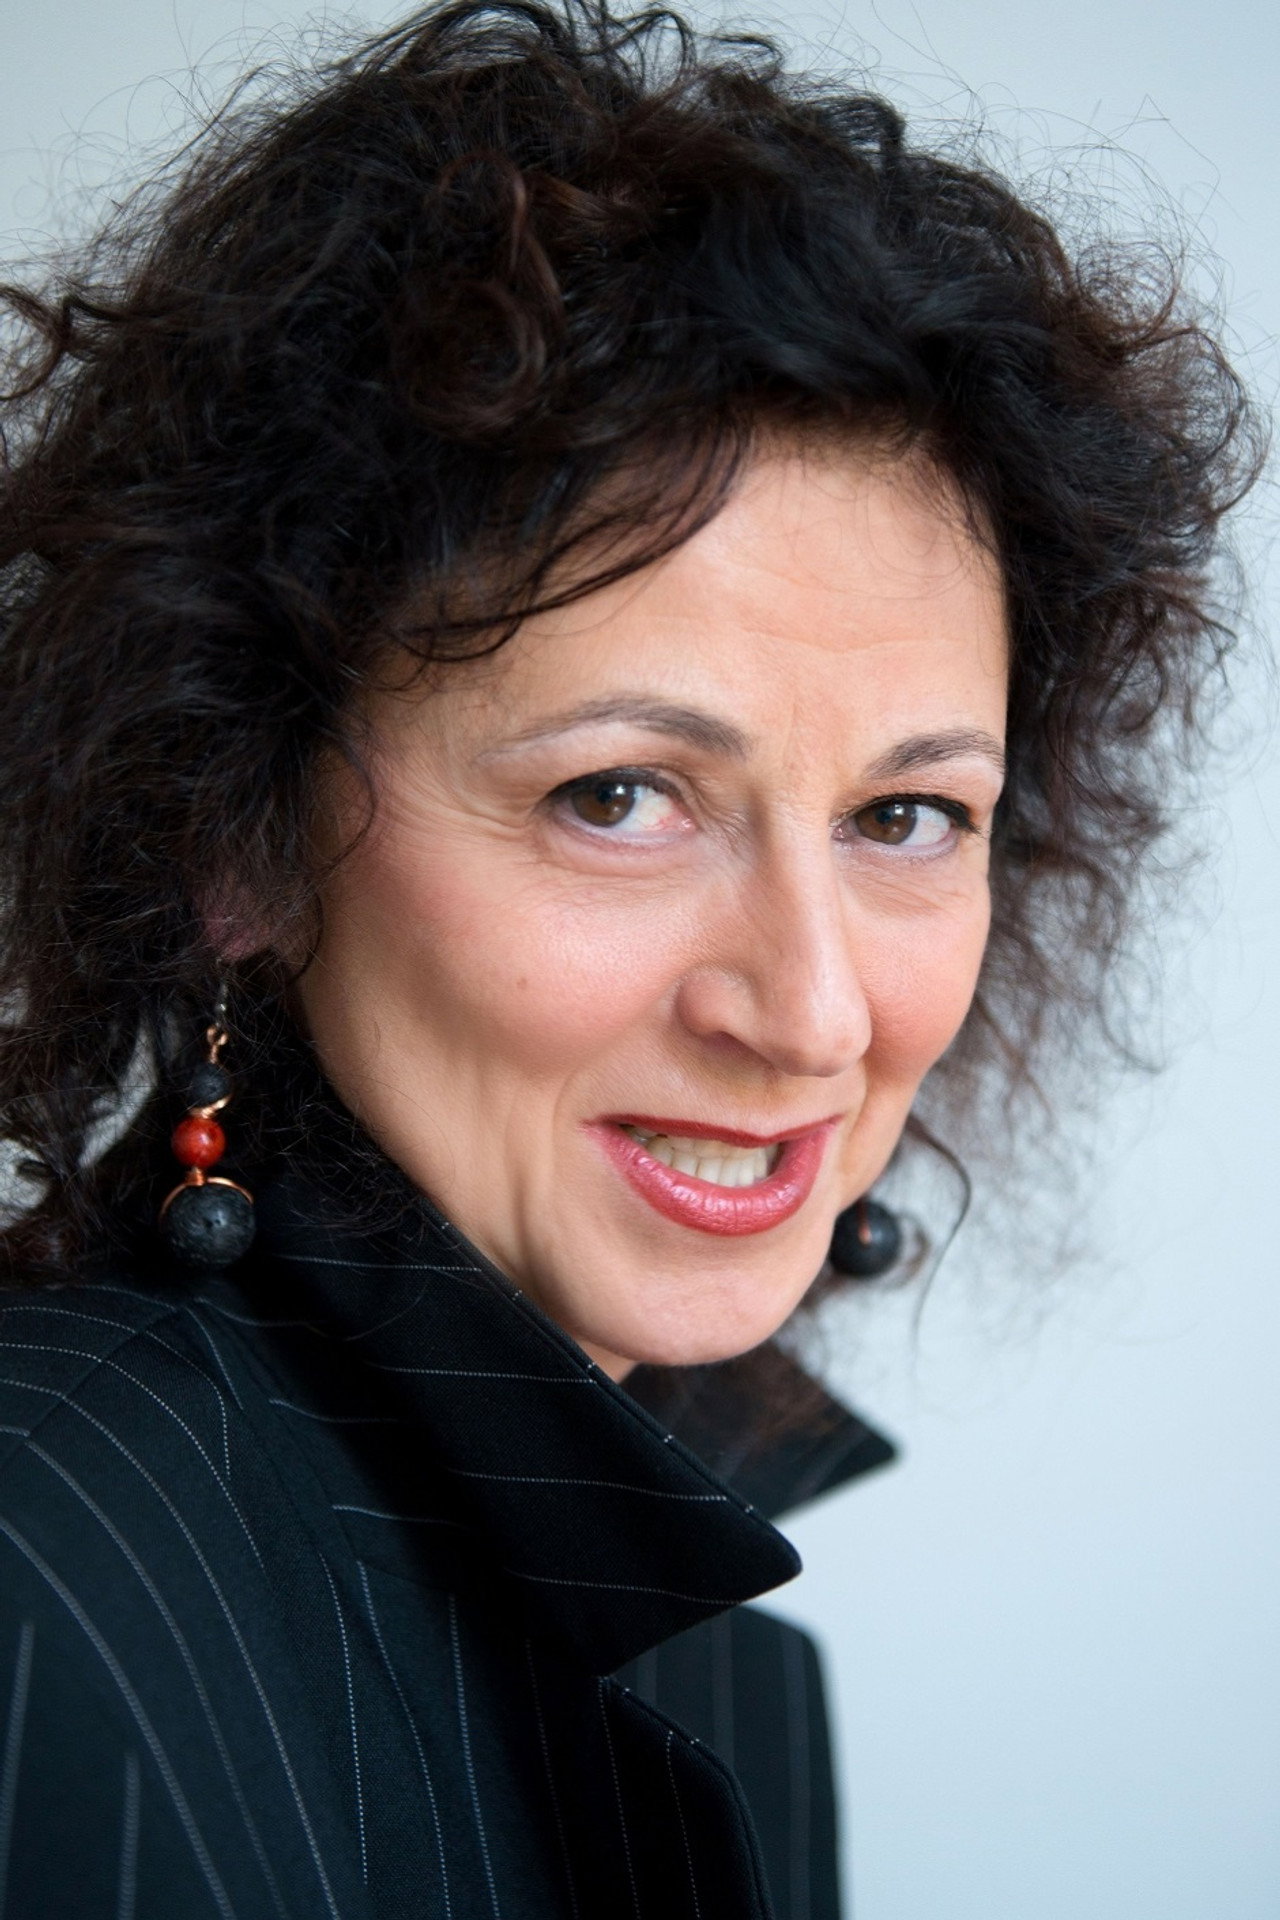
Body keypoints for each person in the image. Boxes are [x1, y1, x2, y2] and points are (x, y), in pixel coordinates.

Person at [0, 2, 1255, 1914]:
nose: (814, 1013)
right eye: (619, 797)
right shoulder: (39, 1564)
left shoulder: (735, 1667)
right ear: (235, 829)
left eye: (907, 816)